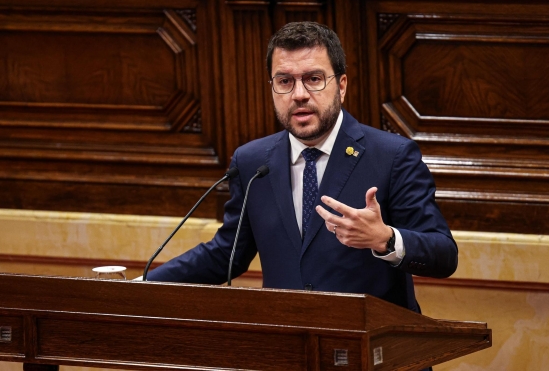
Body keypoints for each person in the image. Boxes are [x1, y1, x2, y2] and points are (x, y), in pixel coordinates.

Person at [148, 22, 457, 314]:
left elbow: (444, 255)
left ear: (342, 86)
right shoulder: (253, 161)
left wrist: (386, 239)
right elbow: (226, 254)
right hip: (291, 349)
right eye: (284, 81)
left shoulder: (391, 155)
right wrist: (143, 287)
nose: (298, 94)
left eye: (313, 79)